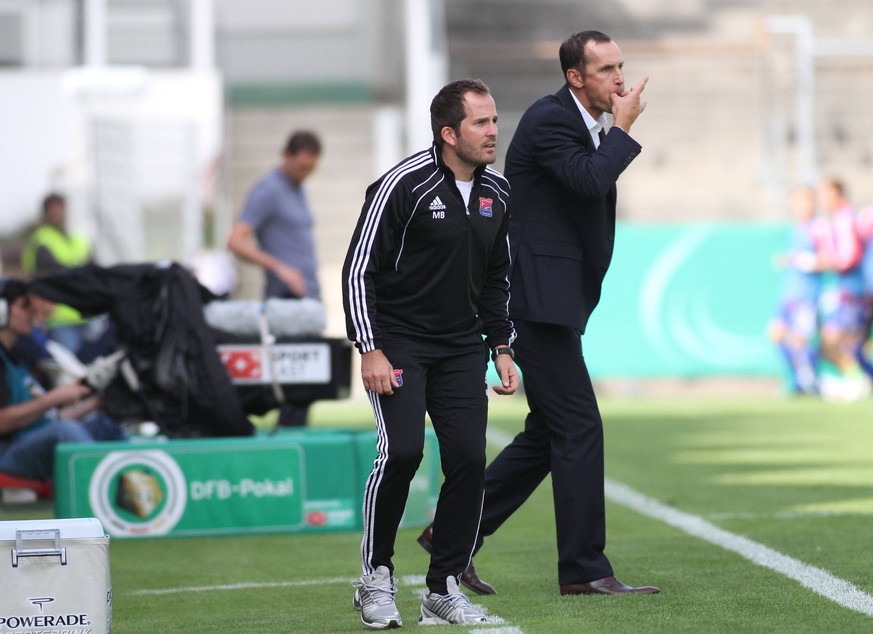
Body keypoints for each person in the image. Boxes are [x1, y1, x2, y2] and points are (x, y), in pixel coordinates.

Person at [418, 31, 659, 597]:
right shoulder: (549, 120)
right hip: (531, 299)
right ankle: (585, 571)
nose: (619, 79)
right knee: (578, 425)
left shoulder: (584, 124)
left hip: (553, 298)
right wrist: (623, 128)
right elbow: (589, 180)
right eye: (605, 70)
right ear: (575, 77)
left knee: (547, 432)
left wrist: (612, 128)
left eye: (621, 67)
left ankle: (452, 534)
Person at [342, 78, 518, 628]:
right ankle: (375, 576)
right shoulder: (402, 185)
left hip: (461, 347)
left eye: (494, 120)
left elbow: (496, 279)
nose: (493, 132)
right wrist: (369, 348)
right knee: (402, 452)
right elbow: (357, 270)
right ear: (448, 133)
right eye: (481, 123)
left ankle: (442, 588)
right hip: (398, 343)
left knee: (468, 458)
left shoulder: (499, 194)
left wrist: (502, 347)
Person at [227, 130, 323, 427]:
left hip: (306, 299)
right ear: (286, 156)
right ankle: (285, 454)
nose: (304, 174)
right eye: (299, 167)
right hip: (285, 302)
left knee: (308, 385)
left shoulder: (298, 188)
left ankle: (295, 447)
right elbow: (236, 240)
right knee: (294, 386)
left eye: (310, 169)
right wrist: (279, 267)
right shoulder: (268, 189)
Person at [0, 278, 126, 482]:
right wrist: (53, 399)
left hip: (29, 440)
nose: (33, 313)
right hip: (7, 452)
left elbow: (49, 420)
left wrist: (96, 402)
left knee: (105, 423)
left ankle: (139, 481)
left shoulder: (17, 358)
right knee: (66, 431)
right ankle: (103, 495)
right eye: (25, 306)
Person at [767, 186, 826, 395]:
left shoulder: (818, 227)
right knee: (776, 333)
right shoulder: (795, 228)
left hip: (806, 294)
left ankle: (809, 382)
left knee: (801, 339)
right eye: (797, 202)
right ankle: (796, 380)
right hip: (788, 294)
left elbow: (831, 258)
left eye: (806, 201)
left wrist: (806, 261)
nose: (801, 206)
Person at [815, 178, 870, 401]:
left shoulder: (845, 219)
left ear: (838, 195)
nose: (824, 200)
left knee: (835, 340)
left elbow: (849, 257)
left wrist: (822, 261)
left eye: (827, 195)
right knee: (845, 343)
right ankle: (858, 379)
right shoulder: (840, 220)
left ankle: (859, 380)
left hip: (854, 291)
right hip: (849, 290)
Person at [20, 192, 94, 357]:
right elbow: (48, 276)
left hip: (85, 314)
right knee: (66, 367)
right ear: (45, 213)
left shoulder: (78, 238)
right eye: (54, 209)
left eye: (60, 208)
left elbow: (93, 270)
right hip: (59, 319)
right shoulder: (41, 240)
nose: (58, 213)